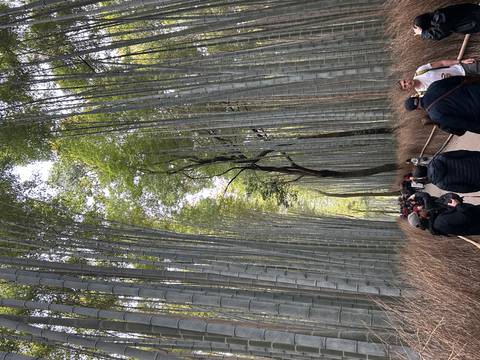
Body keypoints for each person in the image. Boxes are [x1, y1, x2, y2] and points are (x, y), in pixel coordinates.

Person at [404, 76, 480, 136]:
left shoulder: (435, 116)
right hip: (475, 89)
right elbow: (457, 79)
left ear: (417, 109)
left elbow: (463, 124)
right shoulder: (433, 86)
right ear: (416, 96)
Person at [408, 192, 480, 236]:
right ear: (421, 217)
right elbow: (468, 217)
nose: (421, 210)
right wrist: (458, 205)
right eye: (418, 212)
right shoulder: (441, 221)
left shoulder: (436, 224)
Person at [399, 58, 478, 96]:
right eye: (405, 86)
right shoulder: (423, 94)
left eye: (405, 81)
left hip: (462, 70)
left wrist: (460, 61)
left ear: (406, 78)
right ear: (408, 89)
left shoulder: (420, 71)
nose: (407, 83)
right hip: (464, 86)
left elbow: (442, 63)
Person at [412, 150, 480, 193]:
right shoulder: (440, 157)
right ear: (423, 165)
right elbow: (462, 153)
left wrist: (477, 188)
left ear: (423, 178)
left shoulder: (441, 184)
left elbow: (464, 189)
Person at [413, 3, 480, 41]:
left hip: (476, 18)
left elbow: (439, 33)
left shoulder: (439, 17)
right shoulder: (438, 16)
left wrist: (422, 33)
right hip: (475, 16)